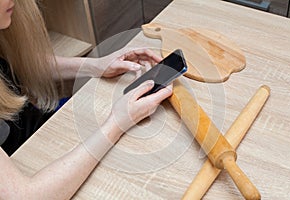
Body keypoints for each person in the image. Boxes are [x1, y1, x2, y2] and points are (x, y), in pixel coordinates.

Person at [0, 0, 172, 199]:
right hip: (30, 166)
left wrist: (95, 65)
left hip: (41, 131)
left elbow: (19, 64)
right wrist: (117, 123)